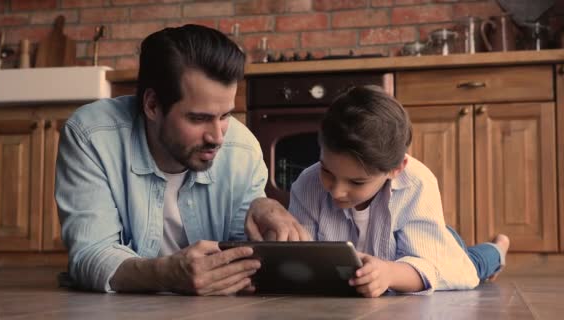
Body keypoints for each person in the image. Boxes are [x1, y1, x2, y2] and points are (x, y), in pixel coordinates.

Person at [55, 24, 309, 295]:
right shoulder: (92, 135)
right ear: (152, 105)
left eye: (225, 116)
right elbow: (91, 254)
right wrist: (167, 274)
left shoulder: (243, 149)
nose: (217, 137)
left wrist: (265, 221)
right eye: (198, 118)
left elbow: (243, 255)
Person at [288, 85, 509, 298]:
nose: (336, 192)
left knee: (472, 265)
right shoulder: (306, 184)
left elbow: (431, 267)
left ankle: (499, 247)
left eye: (356, 182)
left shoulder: (417, 183)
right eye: (327, 171)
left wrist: (389, 274)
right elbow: (300, 257)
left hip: (426, 237)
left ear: (396, 169)